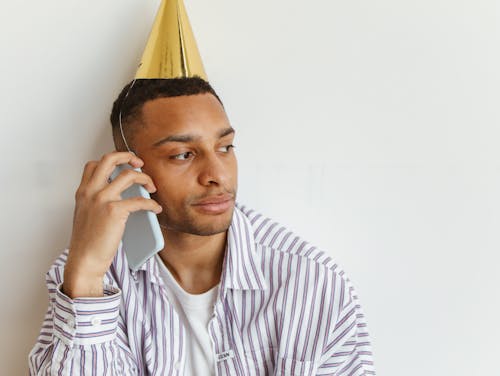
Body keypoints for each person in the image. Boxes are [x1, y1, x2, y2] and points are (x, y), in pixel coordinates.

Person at [28, 77, 375, 375]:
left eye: (225, 147)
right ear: (127, 174)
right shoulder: (85, 280)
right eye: (183, 154)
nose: (217, 175)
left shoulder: (312, 282)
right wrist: (87, 276)